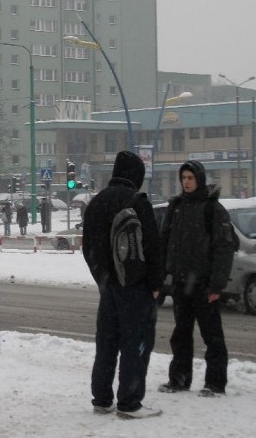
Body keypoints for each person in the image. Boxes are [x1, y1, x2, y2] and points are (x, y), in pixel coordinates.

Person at [81, 150, 163, 419]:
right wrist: (155, 283)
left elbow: (87, 247)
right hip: (135, 287)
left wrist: (103, 278)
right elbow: (152, 246)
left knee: (106, 344)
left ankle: (102, 399)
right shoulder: (137, 202)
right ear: (135, 176)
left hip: (109, 288)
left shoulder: (96, 203)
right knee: (135, 344)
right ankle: (130, 403)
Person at [158, 160, 235, 398]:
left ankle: (215, 383)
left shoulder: (213, 208)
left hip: (203, 284)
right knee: (180, 334)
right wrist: (161, 276)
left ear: (199, 179)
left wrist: (216, 285)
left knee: (212, 335)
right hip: (181, 282)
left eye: (191, 178)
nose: (186, 182)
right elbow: (165, 241)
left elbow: (224, 248)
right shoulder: (177, 206)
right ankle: (179, 379)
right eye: (184, 178)